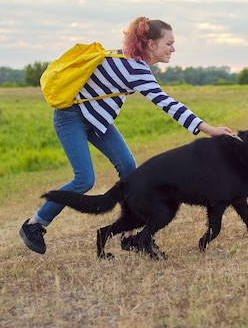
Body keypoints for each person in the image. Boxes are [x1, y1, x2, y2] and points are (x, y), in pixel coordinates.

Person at [20, 17, 233, 254]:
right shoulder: (136, 69)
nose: (173, 48)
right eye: (169, 43)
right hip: (70, 117)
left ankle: (130, 235)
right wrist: (210, 130)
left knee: (130, 170)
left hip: (98, 120)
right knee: (84, 179)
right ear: (151, 44)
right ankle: (35, 224)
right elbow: (168, 104)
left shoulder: (128, 59)